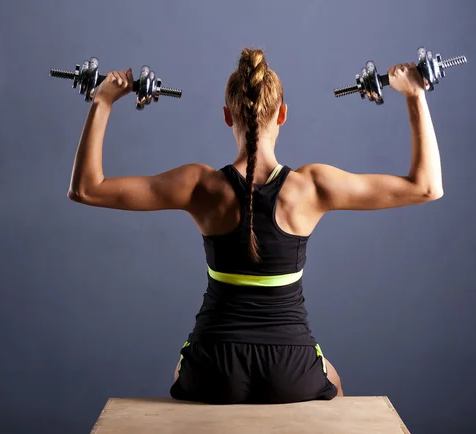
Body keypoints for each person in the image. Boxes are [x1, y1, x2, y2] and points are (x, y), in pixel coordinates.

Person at [67, 48, 443, 404]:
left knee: (181, 369)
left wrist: (102, 102)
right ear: (282, 114)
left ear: (227, 115)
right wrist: (414, 94)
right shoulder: (312, 187)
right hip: (291, 368)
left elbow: (86, 189)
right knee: (334, 382)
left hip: (213, 366)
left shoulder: (200, 186)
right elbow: (426, 187)